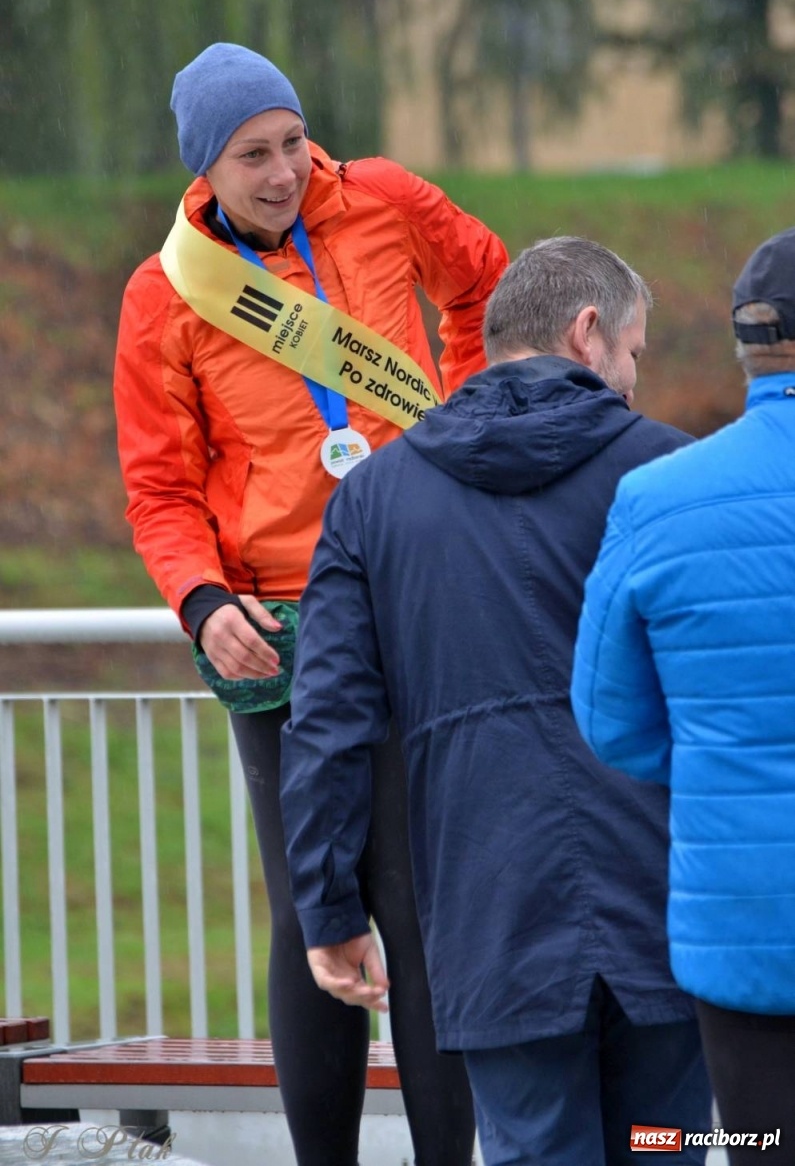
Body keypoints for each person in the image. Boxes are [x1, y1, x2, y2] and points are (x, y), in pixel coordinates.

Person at [113, 41, 509, 1166]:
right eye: (254, 156)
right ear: (205, 167)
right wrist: (198, 599)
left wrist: (464, 415)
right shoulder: (166, 295)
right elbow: (157, 489)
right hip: (283, 626)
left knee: (422, 909)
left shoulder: (383, 197)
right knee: (310, 908)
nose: (285, 171)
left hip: (415, 591)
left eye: (293, 141)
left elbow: (487, 281)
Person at [280, 236, 713, 1166]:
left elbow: (326, 722)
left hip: (490, 910)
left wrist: (327, 909)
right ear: (587, 332)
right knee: (664, 1146)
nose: (634, 381)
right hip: (666, 903)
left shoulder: (373, 501)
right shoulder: (674, 477)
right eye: (634, 354)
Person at [571, 227, 795, 1165]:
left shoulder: (658, 498)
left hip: (736, 926)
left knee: (756, 1143)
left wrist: (716, 753)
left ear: (746, 349)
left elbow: (609, 719)